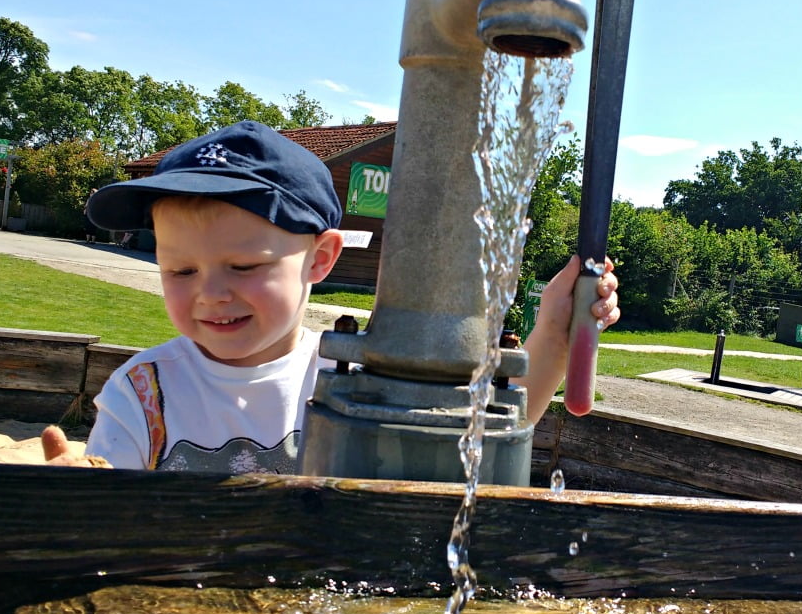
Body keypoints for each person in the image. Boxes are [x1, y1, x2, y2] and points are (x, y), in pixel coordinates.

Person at [42, 120, 619, 473]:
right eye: (179, 270)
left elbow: (487, 437)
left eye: (243, 266)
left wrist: (556, 330)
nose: (210, 294)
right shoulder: (146, 391)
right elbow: (104, 490)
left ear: (320, 258)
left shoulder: (356, 376)